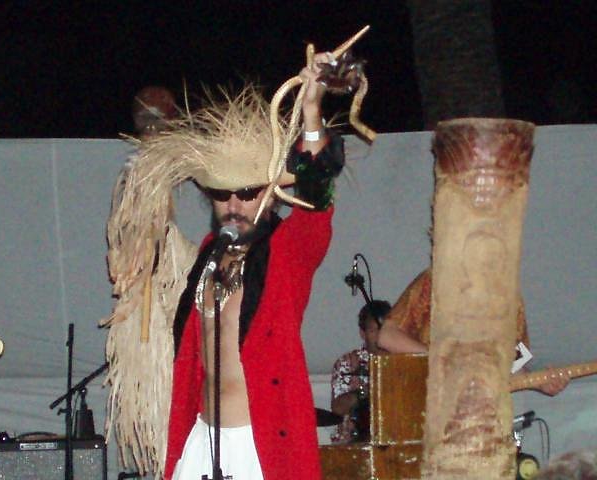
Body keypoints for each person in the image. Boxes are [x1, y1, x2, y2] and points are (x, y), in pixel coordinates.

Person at [161, 52, 345, 480]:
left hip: (259, 445)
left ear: (269, 194)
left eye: (247, 192)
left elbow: (317, 202)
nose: (234, 204)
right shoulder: (209, 253)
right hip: (202, 438)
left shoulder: (286, 251)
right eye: (221, 194)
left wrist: (312, 110)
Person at [377, 268, 568, 396]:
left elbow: (512, 365)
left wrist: (538, 383)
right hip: (427, 413)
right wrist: (442, 358)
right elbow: (387, 336)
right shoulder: (434, 280)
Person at [330, 300, 391, 443]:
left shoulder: (402, 361)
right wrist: (365, 392)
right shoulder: (346, 363)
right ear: (362, 333)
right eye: (373, 331)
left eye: (385, 330)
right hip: (352, 443)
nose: (380, 336)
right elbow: (338, 408)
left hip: (392, 440)